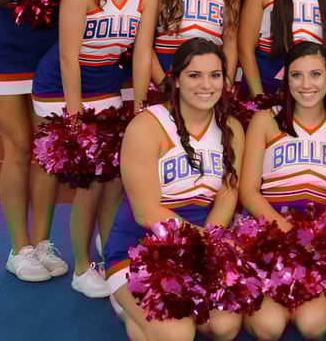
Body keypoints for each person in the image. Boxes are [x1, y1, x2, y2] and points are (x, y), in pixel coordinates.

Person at [31, 0, 159, 297]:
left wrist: (138, 106)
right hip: (61, 85)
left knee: (116, 176)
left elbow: (141, 53)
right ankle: (81, 266)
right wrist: (74, 117)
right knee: (90, 178)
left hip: (105, 81)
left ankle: (108, 256)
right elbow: (69, 56)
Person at [104, 38, 244, 341]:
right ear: (176, 79)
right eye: (195, 75)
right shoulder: (146, 126)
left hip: (196, 246)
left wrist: (211, 243)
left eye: (215, 75)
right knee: (177, 335)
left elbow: (227, 194)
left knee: (225, 327)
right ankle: (125, 298)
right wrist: (205, 240)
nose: (206, 84)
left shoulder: (231, 127)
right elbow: (146, 212)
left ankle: (141, 315)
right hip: (141, 248)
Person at [0, 0, 92, 283]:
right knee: (17, 148)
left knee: (44, 153)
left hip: (52, 55)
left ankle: (40, 243)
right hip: (6, 52)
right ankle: (18, 248)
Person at [239, 41, 326, 340]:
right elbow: (249, 191)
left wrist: (316, 234)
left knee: (312, 326)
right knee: (268, 327)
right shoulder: (265, 120)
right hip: (269, 231)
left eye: (315, 74)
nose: (306, 84)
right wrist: (286, 230)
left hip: (320, 237)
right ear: (286, 79)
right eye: (297, 75)